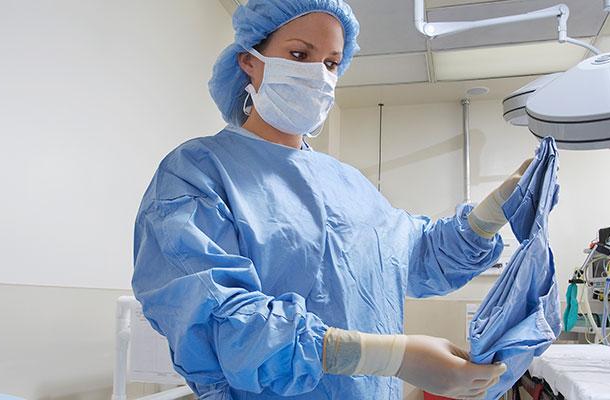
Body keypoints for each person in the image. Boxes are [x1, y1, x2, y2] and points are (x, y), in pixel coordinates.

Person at [131, 0, 531, 399]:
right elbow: (222, 324)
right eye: (299, 54)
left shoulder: (349, 185)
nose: (317, 75)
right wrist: (392, 357)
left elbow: (416, 254)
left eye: (331, 63)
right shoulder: (198, 173)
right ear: (249, 62)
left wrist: (489, 215)